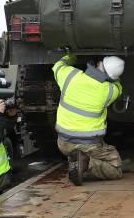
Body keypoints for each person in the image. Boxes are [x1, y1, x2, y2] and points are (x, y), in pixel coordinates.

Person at [53, 53, 125, 185]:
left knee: (72, 148)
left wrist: (72, 55)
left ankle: (75, 160)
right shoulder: (109, 91)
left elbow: (58, 65)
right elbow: (119, 87)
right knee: (116, 169)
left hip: (63, 143)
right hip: (89, 145)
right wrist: (113, 78)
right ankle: (85, 162)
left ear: (98, 64)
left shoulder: (70, 75)